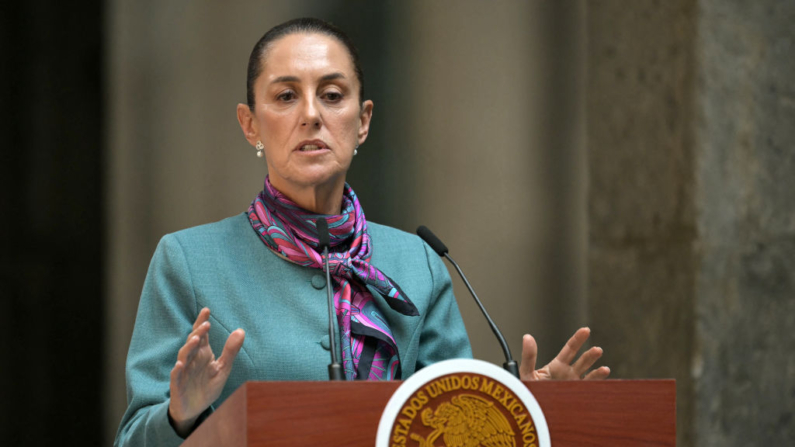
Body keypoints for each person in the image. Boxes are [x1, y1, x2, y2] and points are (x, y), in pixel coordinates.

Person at [114, 17, 610, 446]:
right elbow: (133, 438)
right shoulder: (189, 260)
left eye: (332, 95)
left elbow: (450, 423)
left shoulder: (416, 263)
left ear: (363, 120)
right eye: (286, 96)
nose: (311, 115)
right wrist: (180, 416)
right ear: (250, 125)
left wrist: (520, 405)